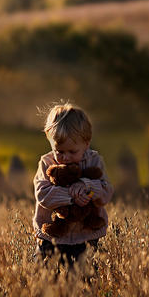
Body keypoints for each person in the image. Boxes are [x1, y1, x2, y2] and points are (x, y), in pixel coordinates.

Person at [33, 103, 114, 267]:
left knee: (85, 279)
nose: (65, 157)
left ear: (86, 144)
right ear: (51, 142)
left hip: (86, 236)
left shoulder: (94, 161)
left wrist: (87, 187)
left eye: (72, 152)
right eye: (60, 151)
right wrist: (72, 195)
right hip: (51, 237)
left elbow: (106, 191)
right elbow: (43, 194)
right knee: (46, 277)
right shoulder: (46, 163)